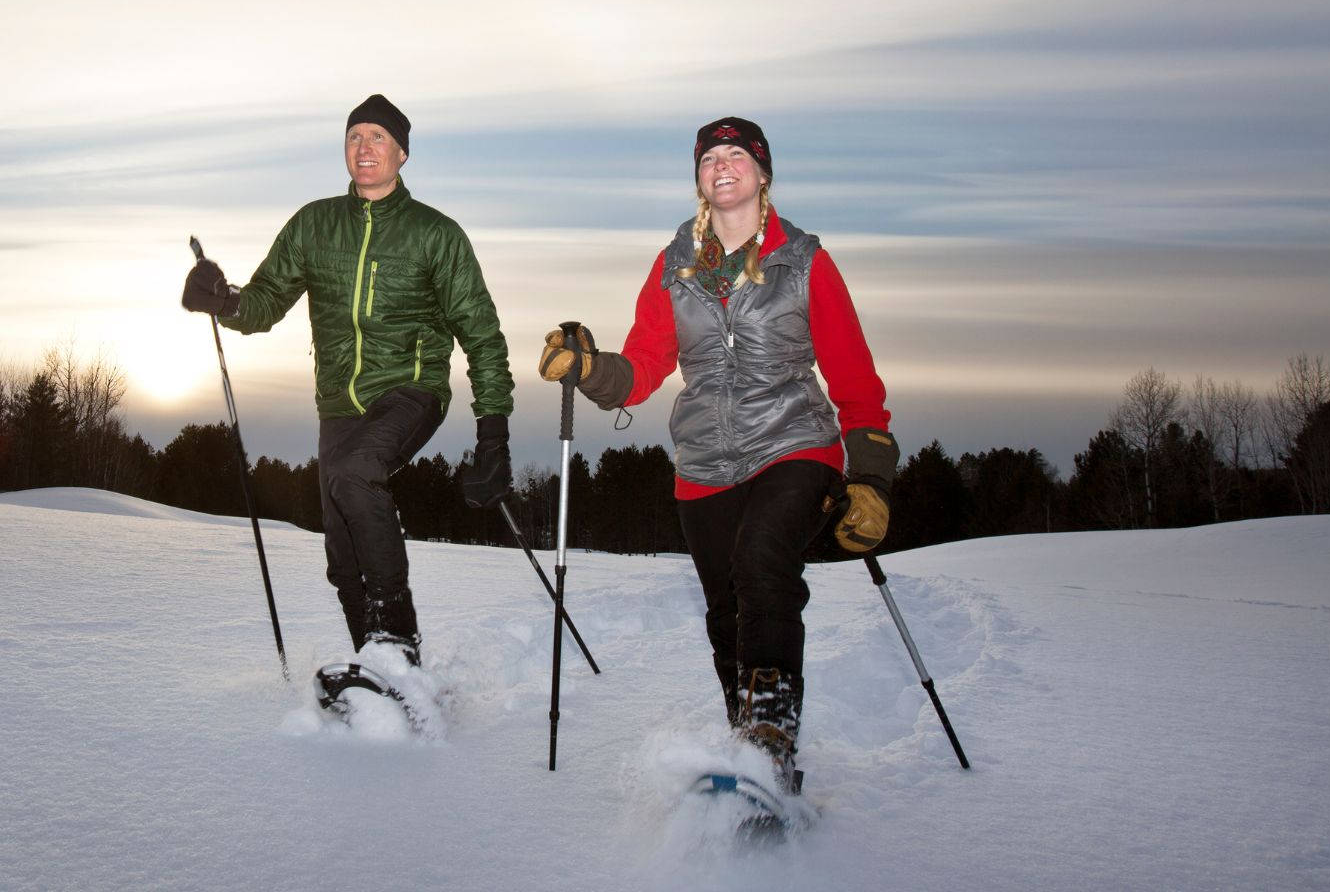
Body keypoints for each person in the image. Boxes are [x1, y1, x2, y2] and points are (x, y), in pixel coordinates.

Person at [539, 115, 896, 791]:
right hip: (704, 462)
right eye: (710, 158)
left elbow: (854, 378)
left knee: (764, 564)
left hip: (796, 443)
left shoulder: (806, 260)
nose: (723, 165)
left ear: (763, 174)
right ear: (699, 178)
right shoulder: (676, 265)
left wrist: (872, 476)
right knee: (726, 610)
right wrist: (587, 368)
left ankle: (770, 739)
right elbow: (644, 366)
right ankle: (749, 748)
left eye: (738, 154)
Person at [181, 94, 516, 668]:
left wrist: (494, 437)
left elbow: (482, 335)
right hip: (339, 403)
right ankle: (374, 670)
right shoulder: (315, 223)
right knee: (340, 550)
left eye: (378, 137)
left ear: (402, 153)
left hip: (410, 388)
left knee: (357, 472)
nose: (365, 147)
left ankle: (397, 646)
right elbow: (265, 303)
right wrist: (224, 300)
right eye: (355, 136)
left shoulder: (436, 235)